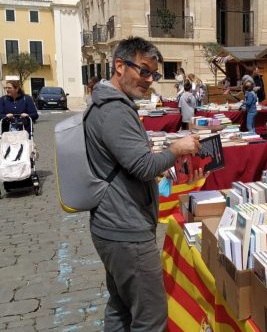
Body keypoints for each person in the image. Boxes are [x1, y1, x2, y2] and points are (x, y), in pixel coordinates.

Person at [84, 36, 202, 331]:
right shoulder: (113, 109)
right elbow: (142, 166)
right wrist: (176, 149)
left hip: (113, 225)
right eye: (144, 71)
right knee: (150, 316)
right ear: (120, 65)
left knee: (121, 308)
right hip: (126, 229)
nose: (149, 80)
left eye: (154, 74)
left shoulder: (109, 103)